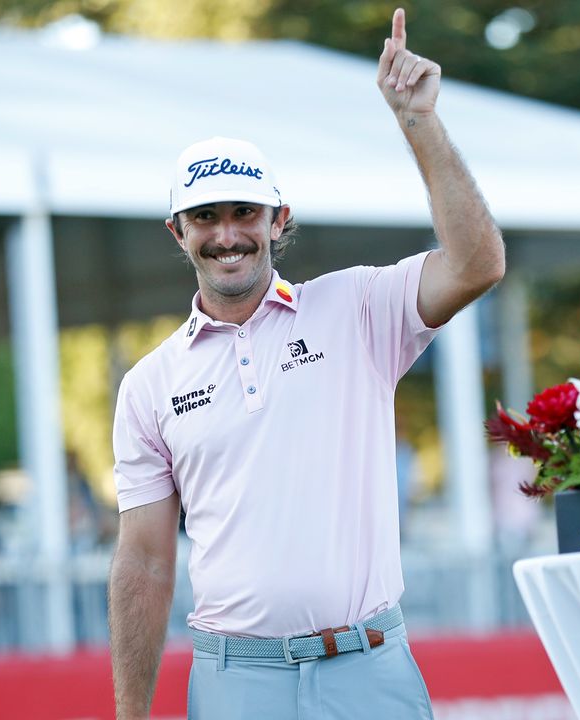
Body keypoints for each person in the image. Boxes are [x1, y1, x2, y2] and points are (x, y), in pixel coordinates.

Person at [107, 9, 504, 719]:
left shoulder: (356, 306)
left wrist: (418, 120)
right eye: (205, 217)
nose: (227, 234)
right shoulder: (149, 385)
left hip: (369, 669)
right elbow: (143, 561)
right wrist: (132, 715)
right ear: (178, 231)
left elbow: (478, 264)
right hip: (235, 683)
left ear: (278, 220)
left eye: (245, 213)